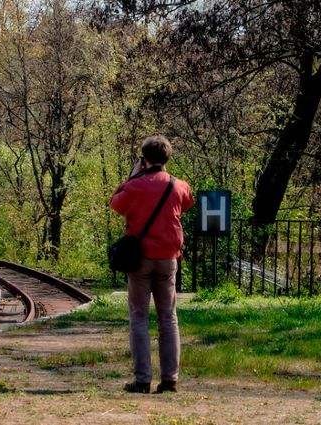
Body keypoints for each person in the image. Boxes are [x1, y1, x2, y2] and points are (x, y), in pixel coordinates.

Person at [110, 135, 196, 394]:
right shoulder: (179, 186)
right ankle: (170, 379)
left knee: (138, 317)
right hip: (168, 259)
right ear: (167, 159)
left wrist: (133, 177)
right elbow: (188, 203)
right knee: (168, 318)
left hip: (140, 260)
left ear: (144, 160)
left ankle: (142, 379)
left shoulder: (136, 186)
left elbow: (116, 203)